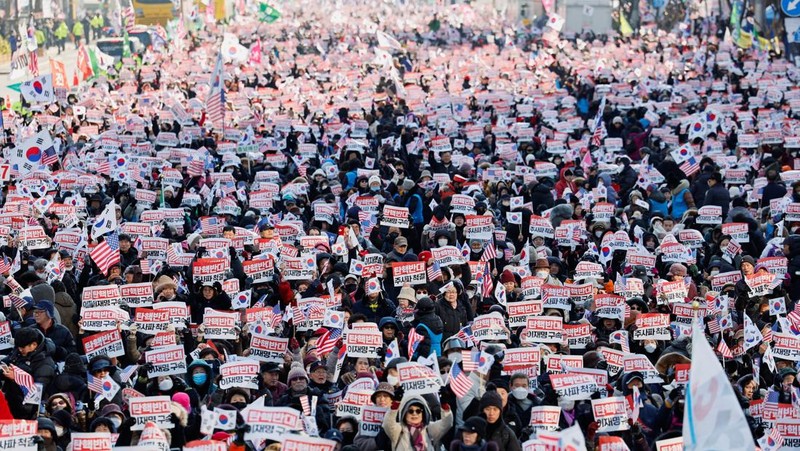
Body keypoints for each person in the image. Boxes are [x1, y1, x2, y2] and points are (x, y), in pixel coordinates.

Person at [383, 395, 453, 450]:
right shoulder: (399, 430)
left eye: (418, 411)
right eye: (410, 411)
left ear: (424, 413)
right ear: (404, 413)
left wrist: (445, 406)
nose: (414, 414)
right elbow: (388, 424)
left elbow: (446, 423)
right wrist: (395, 405)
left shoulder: (429, 428)